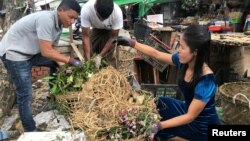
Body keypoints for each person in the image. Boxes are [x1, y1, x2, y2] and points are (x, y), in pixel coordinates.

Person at [116, 25, 220, 141]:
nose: (178, 50)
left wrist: (160, 126)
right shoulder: (184, 62)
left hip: (201, 126)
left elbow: (190, 117)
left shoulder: (206, 81)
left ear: (195, 52)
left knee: (161, 131)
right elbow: (157, 54)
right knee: (160, 102)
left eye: (182, 47)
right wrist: (132, 43)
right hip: (187, 108)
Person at [0, 0, 81, 132]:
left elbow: (53, 52)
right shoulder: (46, 19)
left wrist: (64, 67)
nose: (72, 22)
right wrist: (71, 61)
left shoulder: (58, 26)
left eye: (75, 19)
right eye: (71, 17)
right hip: (14, 54)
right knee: (25, 93)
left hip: (29, 54)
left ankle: (54, 95)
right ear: (60, 10)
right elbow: (46, 51)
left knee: (54, 62)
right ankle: (30, 130)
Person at [80, 0, 123, 68]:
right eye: (99, 17)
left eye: (106, 18)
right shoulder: (86, 9)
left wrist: (100, 56)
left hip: (110, 31)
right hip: (96, 29)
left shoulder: (117, 12)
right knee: (91, 53)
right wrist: (88, 63)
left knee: (108, 58)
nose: (102, 20)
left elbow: (113, 37)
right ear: (95, 7)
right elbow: (85, 36)